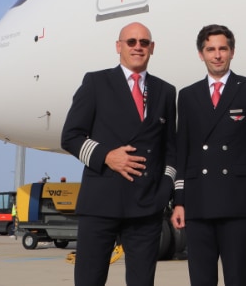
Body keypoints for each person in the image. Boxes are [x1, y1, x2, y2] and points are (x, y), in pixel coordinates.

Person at [61, 22, 177, 286]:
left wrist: (164, 191)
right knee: (90, 280)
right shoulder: (96, 82)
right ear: (118, 46)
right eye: (131, 42)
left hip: (146, 205)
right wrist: (106, 156)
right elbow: (70, 136)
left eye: (144, 43)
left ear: (152, 48)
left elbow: (171, 149)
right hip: (101, 203)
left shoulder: (165, 91)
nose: (138, 47)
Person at [171, 24, 246, 286]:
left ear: (232, 52)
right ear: (201, 54)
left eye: (222, 49)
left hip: (237, 202)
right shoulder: (188, 95)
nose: (217, 55)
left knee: (237, 278)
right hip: (198, 202)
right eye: (210, 49)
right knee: (201, 279)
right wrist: (179, 201)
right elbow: (183, 151)